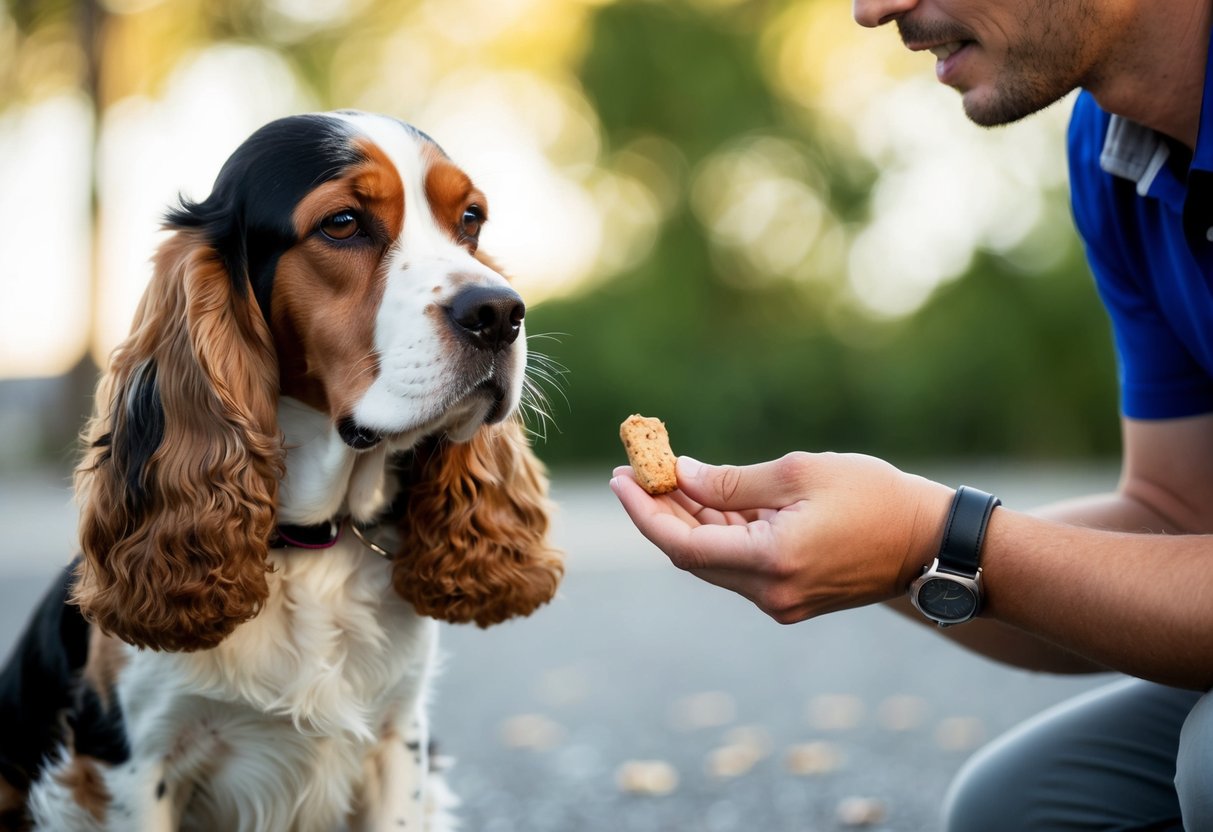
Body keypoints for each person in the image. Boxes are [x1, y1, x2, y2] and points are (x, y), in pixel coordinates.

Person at [610, 0, 1213, 829]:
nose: (872, 9)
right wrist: (881, 555)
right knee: (1015, 812)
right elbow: (1175, 518)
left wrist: (932, 536)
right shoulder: (1114, 149)